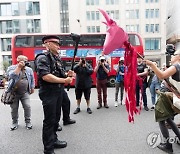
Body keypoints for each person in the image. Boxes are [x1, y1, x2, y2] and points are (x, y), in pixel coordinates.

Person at [35, 35, 73, 154]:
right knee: (49, 120)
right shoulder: (42, 58)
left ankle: (54, 140)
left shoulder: (56, 58)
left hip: (58, 91)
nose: (58, 46)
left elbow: (59, 74)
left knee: (56, 118)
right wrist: (64, 81)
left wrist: (68, 74)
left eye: (58, 44)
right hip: (49, 92)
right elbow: (46, 76)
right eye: (55, 44)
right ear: (48, 44)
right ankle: (48, 148)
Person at [145, 49, 180, 153]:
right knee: (168, 119)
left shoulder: (177, 66)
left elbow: (162, 75)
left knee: (161, 119)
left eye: (174, 55)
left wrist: (152, 65)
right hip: (174, 96)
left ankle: (168, 145)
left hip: (171, 97)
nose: (172, 57)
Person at [6, 55, 35, 130]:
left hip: (25, 92)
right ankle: (14, 122)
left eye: (26, 61)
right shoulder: (11, 68)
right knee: (14, 108)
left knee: (27, 106)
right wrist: (18, 67)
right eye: (24, 61)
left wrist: (32, 87)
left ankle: (28, 122)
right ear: (19, 61)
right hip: (13, 92)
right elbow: (11, 76)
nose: (25, 62)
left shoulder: (29, 69)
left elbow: (32, 79)